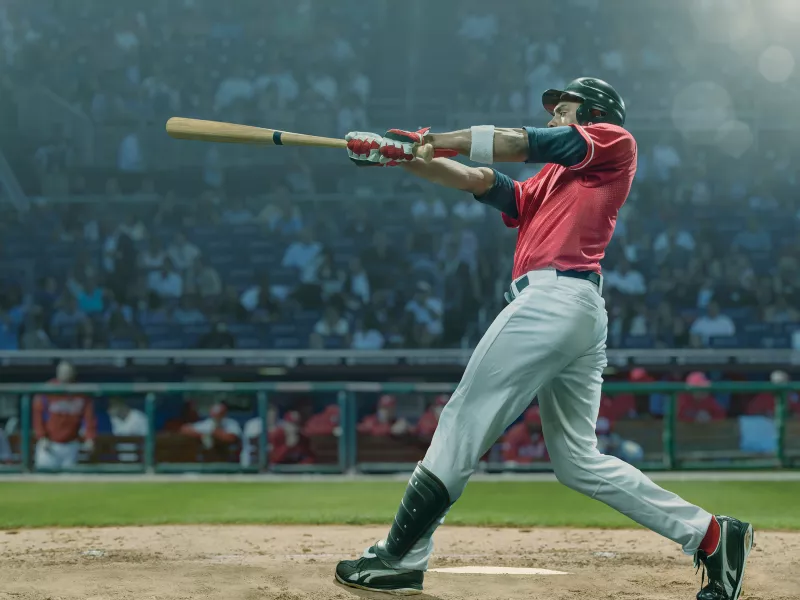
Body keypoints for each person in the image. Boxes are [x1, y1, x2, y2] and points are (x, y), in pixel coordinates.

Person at [337, 77, 752, 600]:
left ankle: (400, 558)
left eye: (564, 108)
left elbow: (520, 141)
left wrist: (433, 138)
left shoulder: (612, 141)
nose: (555, 115)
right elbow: (480, 180)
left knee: (463, 419)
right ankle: (714, 535)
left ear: (594, 112)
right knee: (578, 462)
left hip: (553, 301)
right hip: (573, 310)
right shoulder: (556, 178)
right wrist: (402, 157)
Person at [32, 361, 95, 470]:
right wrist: (41, 437)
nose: (65, 374)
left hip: (71, 444)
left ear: (74, 373)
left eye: (68, 371)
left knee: (70, 482)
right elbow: (38, 416)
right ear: (57, 373)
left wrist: (90, 438)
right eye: (62, 371)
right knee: (44, 479)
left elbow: (89, 418)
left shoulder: (81, 392)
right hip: (49, 444)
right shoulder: (47, 389)